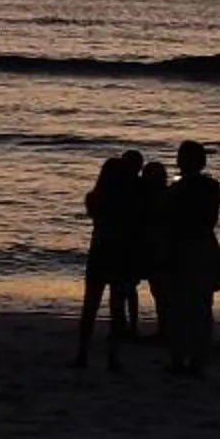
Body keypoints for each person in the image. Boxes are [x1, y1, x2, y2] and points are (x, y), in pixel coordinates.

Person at [162, 142, 220, 378]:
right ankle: (197, 361)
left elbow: (167, 219)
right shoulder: (212, 187)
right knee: (201, 307)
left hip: (180, 249)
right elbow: (211, 219)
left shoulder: (176, 190)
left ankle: (179, 359)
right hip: (205, 248)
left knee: (178, 308)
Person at [74, 151, 142, 368]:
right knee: (117, 306)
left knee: (90, 305)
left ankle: (82, 354)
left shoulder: (95, 199)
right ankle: (114, 357)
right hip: (121, 254)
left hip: (99, 252)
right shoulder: (130, 201)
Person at [133, 157, 174, 349]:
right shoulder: (168, 195)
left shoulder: (149, 199)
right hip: (164, 249)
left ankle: (166, 330)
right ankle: (167, 330)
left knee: (161, 291)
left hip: (158, 249)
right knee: (164, 292)